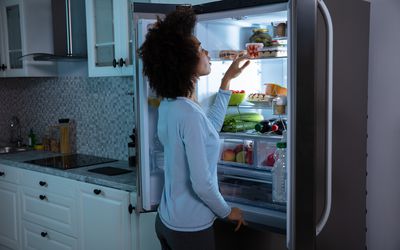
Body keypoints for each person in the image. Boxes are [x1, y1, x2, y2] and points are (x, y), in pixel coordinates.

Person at [139, 7, 250, 250]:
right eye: (200, 48)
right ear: (184, 61)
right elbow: (201, 182)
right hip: (189, 228)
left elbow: (210, 129)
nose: (206, 52)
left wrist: (226, 82)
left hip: (167, 221)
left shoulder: (171, 105)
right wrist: (227, 211)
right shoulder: (187, 112)